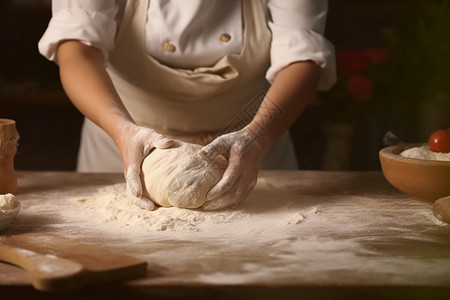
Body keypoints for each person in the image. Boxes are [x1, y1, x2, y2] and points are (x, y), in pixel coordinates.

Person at [38, 0, 336, 210]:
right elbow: (76, 50)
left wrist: (258, 136)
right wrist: (123, 130)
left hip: (253, 150)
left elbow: (303, 58)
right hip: (122, 143)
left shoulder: (256, 140)